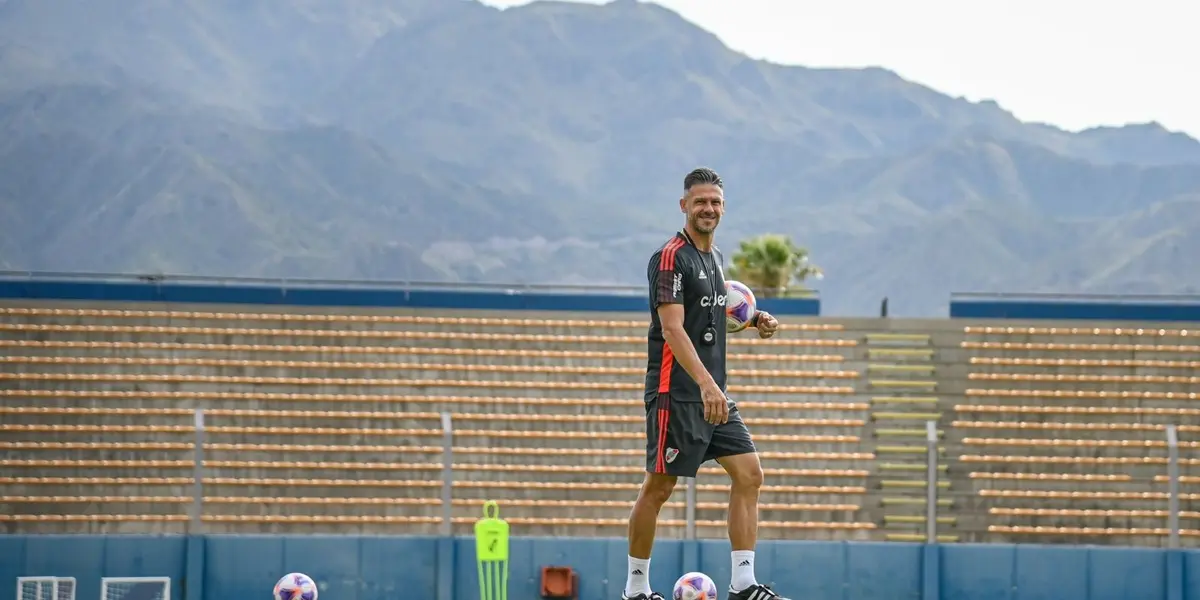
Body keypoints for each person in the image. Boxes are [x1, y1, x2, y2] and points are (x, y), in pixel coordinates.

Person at [622, 167, 790, 600]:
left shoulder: (715, 259)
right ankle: (636, 590)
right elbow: (673, 328)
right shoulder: (670, 257)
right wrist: (706, 385)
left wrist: (754, 319)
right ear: (684, 205)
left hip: (712, 395)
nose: (708, 208)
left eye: (715, 202)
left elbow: (712, 312)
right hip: (677, 394)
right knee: (659, 488)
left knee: (750, 474)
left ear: (723, 208)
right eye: (700, 201)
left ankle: (743, 584)